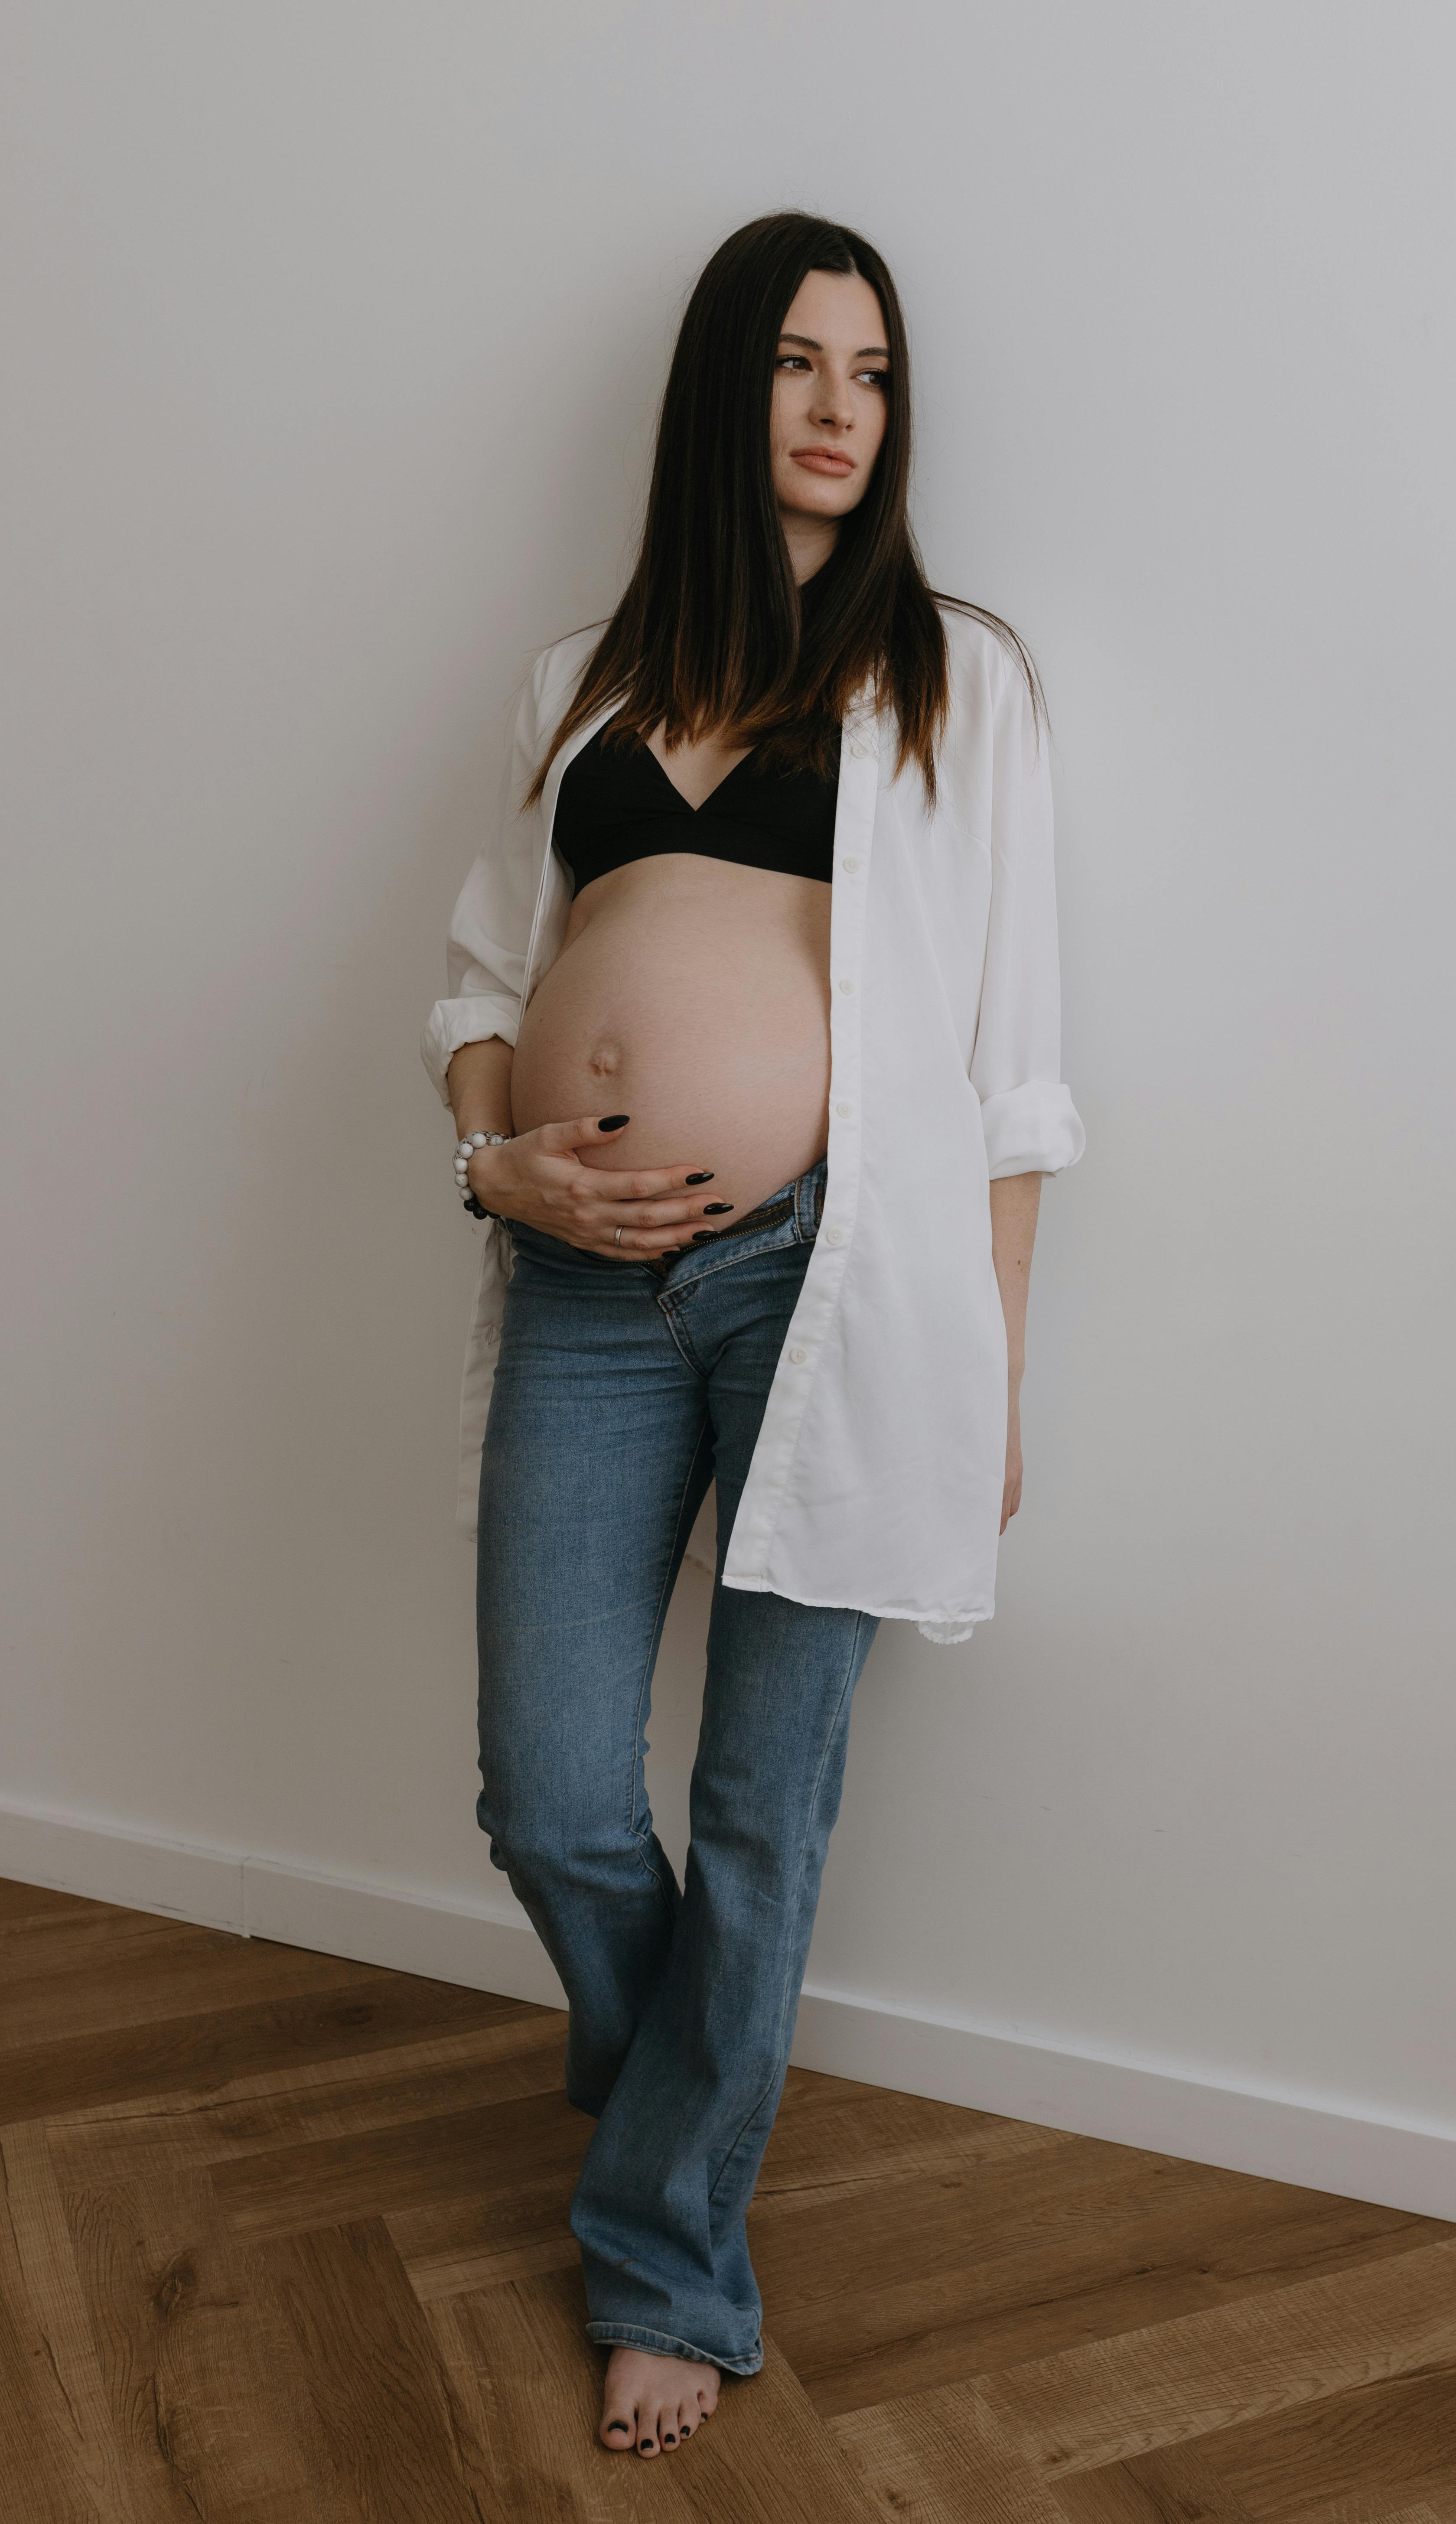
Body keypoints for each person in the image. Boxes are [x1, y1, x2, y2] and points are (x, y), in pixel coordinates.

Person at [421, 210, 1084, 2461]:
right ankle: (669, 2120)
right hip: (580, 1279)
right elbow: (483, 993)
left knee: (760, 1816)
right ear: (728, 393)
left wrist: (990, 1351)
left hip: (839, 1286)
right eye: (797, 364)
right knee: (549, 1793)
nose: (836, 408)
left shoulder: (953, 679)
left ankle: (670, 2263)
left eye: (873, 373)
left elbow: (1012, 1060)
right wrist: (501, 1162)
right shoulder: (577, 685)